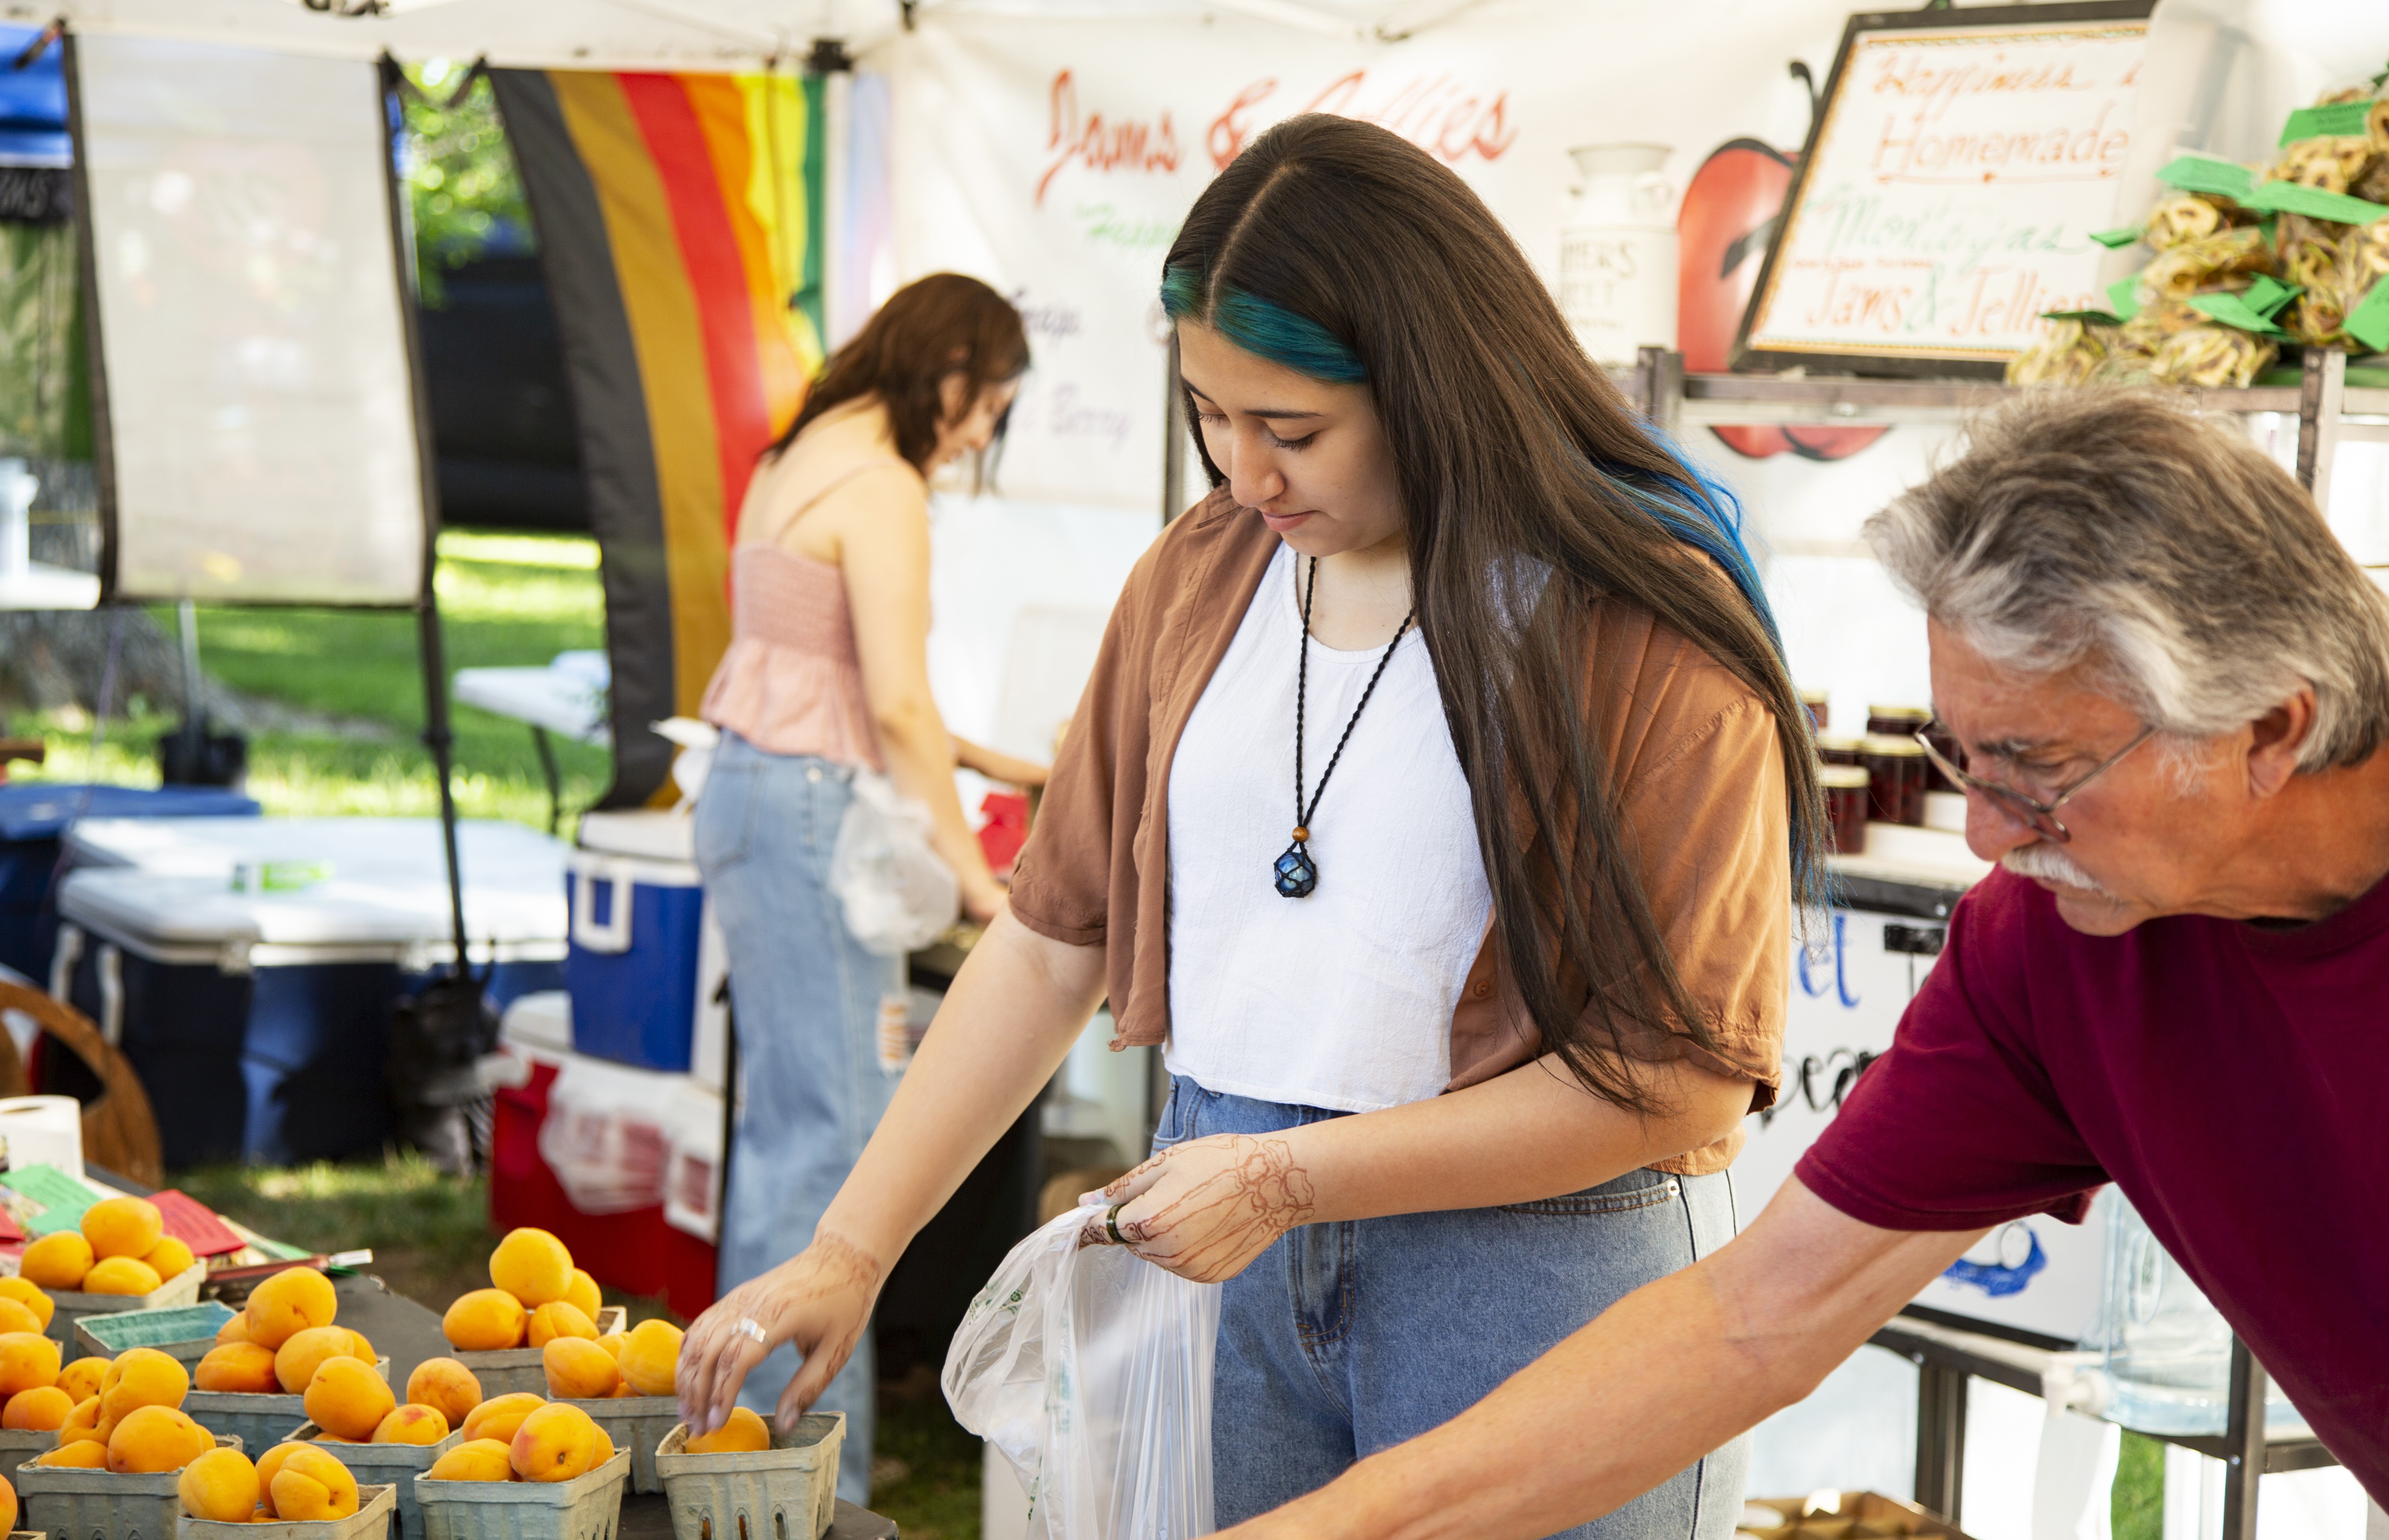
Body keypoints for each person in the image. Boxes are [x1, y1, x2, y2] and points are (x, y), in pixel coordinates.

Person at [678, 115, 1831, 1538]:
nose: (1242, 475)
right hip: (1217, 1254)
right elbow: (1053, 942)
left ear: (1434, 384)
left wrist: (1288, 1178)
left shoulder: (1631, 619)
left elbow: (1676, 1083)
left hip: (1521, 1278)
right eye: (1210, 417)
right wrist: (851, 1250)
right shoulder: (1198, 578)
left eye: (1291, 429)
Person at [1204, 388, 2389, 1539]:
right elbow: (1755, 1317)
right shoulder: (2048, 953)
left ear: (2270, 730)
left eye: (2039, 771)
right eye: (1963, 762)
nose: (1987, 836)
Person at [692, 272, 1048, 1504]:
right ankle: (806, 1474)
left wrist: (990, 762)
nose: (979, 434)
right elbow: (889, 703)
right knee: (838, 1149)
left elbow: (821, 669)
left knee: (786, 1132)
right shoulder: (886, 487)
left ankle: (740, 1440)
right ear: (947, 369)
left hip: (748, 794)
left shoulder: (800, 453)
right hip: (808, 812)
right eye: (988, 402)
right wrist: (973, 878)